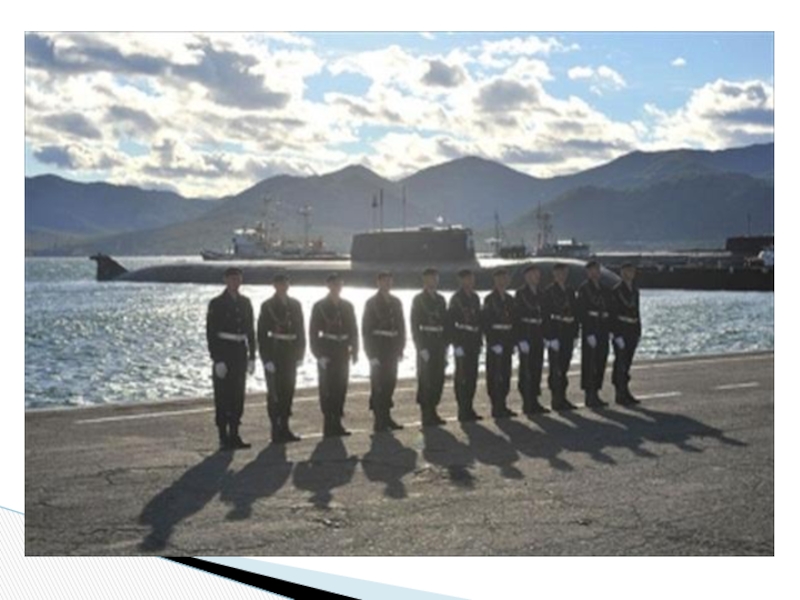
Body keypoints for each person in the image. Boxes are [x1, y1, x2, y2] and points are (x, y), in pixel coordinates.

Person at [206, 266, 256, 450]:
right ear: (226, 280)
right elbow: (211, 333)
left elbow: (250, 331)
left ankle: (235, 433)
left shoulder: (245, 302)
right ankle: (223, 435)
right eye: (233, 279)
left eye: (238, 279)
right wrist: (217, 359)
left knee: (237, 395)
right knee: (223, 395)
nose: (236, 282)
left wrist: (253, 356)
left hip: (240, 352)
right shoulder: (217, 303)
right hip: (224, 351)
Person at [257, 272, 306, 443]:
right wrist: (266, 359)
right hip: (275, 350)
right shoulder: (267, 305)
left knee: (288, 390)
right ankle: (275, 429)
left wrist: (300, 354)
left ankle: (285, 426)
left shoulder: (295, 305)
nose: (283, 287)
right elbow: (261, 334)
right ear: (274, 286)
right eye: (279, 284)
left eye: (285, 283)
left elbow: (300, 331)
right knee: (275, 392)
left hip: (290, 351)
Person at [309, 273, 359, 437]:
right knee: (327, 388)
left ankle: (337, 421)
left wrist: (355, 350)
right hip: (327, 348)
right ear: (328, 285)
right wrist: (318, 354)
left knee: (341, 386)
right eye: (334, 284)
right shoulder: (319, 306)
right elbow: (313, 332)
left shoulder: (347, 306)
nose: (337, 287)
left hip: (342, 349)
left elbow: (353, 329)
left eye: (339, 284)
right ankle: (328, 422)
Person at [362, 271, 406, 432]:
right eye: (384, 281)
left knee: (390, 382)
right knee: (378, 384)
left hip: (392, 346)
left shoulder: (396, 302)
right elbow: (366, 330)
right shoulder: (371, 303)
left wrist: (401, 347)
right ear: (378, 283)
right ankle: (378, 419)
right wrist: (370, 354)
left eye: (389, 281)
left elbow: (401, 326)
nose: (387, 284)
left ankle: (387, 416)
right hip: (378, 346)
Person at [411, 267, 448, 427]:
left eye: (435, 278)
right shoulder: (419, 299)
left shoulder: (441, 299)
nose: (433, 281)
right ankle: (426, 413)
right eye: (430, 278)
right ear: (424, 280)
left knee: (438, 378)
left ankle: (433, 410)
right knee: (425, 379)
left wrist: (446, 345)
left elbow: (446, 323)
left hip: (439, 341)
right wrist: (420, 347)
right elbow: (414, 325)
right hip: (426, 340)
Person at [447, 268, 483, 422]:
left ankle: (469, 406)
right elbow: (450, 323)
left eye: (471, 278)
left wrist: (480, 341)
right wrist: (456, 344)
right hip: (462, 340)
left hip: (473, 340)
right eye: (467, 279)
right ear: (461, 281)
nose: (470, 282)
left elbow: (479, 320)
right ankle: (462, 408)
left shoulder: (475, 298)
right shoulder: (456, 299)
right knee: (462, 376)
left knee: (472, 376)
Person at [481, 268, 518, 418]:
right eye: (499, 279)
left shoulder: (510, 299)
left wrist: (513, 342)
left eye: (504, 279)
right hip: (495, 341)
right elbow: (486, 322)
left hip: (507, 340)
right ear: (495, 281)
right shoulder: (489, 299)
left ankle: (503, 403)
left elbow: (514, 322)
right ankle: (496, 405)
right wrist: (492, 342)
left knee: (506, 373)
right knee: (494, 374)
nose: (502, 282)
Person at [543, 262, 579, 411]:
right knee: (555, 368)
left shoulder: (570, 291)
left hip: (567, 333)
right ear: (554, 274)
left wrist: (576, 334)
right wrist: (550, 337)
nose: (562, 276)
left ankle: (563, 397)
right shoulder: (549, 291)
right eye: (559, 273)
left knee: (564, 367)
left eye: (564, 273)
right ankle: (556, 398)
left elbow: (575, 313)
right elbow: (546, 315)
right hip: (556, 332)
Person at [576, 260, 612, 408]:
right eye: (591, 271)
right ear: (587, 273)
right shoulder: (584, 289)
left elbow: (610, 310)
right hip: (591, 327)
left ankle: (596, 391)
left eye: (596, 270)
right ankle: (589, 394)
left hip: (602, 327)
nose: (594, 273)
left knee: (601, 360)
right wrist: (588, 332)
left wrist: (610, 330)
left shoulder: (605, 289)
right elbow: (581, 311)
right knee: (589, 362)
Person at [514, 263, 549, 415]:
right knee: (526, 370)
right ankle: (527, 401)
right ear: (527, 277)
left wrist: (547, 336)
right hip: (527, 333)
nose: (537, 277)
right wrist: (520, 339)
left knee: (537, 368)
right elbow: (516, 318)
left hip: (538, 334)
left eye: (538, 274)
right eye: (534, 274)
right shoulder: (520, 294)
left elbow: (545, 316)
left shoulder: (541, 293)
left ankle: (534, 399)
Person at [611, 263, 642, 405]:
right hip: (622, 329)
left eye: (632, 271)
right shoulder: (617, 291)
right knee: (620, 362)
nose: (630, 274)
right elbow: (613, 314)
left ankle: (625, 390)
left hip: (632, 329)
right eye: (628, 271)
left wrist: (638, 331)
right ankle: (620, 392)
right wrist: (616, 334)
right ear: (622, 273)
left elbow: (637, 312)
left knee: (627, 362)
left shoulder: (634, 291)